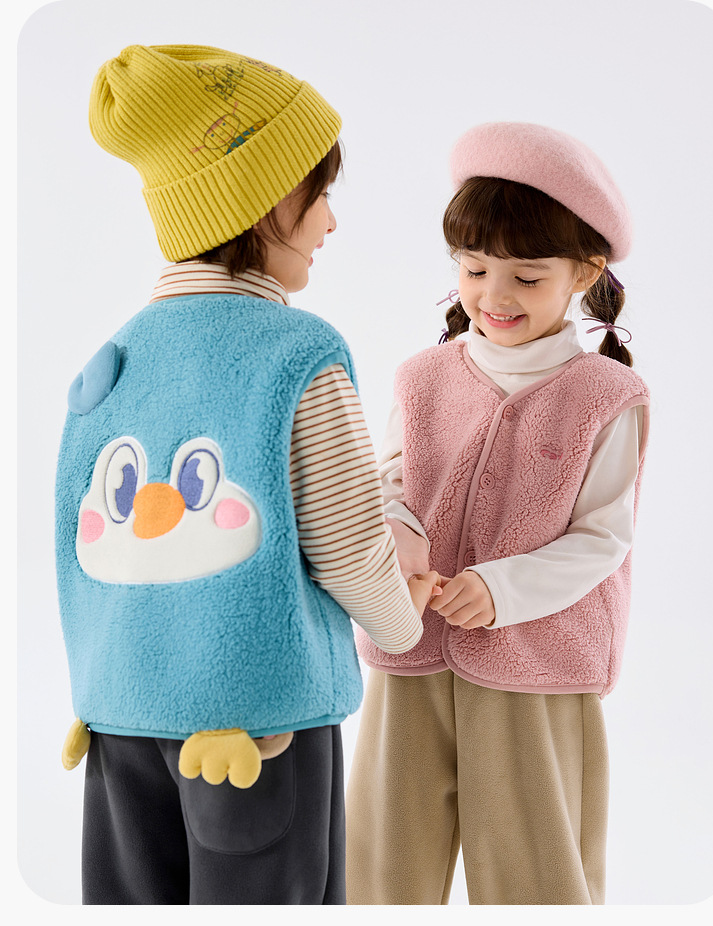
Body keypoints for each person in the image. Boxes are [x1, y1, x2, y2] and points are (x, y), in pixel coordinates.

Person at [54, 44, 438, 906]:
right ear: (264, 198)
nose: (331, 223)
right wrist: (402, 621)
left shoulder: (110, 364)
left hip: (118, 719)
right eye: (320, 193)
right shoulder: (297, 356)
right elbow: (348, 548)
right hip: (256, 728)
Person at [345, 122, 650, 905]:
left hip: (536, 667)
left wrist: (501, 589)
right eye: (475, 269)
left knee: (535, 878)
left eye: (527, 276)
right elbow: (389, 483)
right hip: (411, 649)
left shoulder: (605, 397)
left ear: (585, 273)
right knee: (380, 869)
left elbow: (603, 537)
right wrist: (401, 537)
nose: (494, 296)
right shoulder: (421, 378)